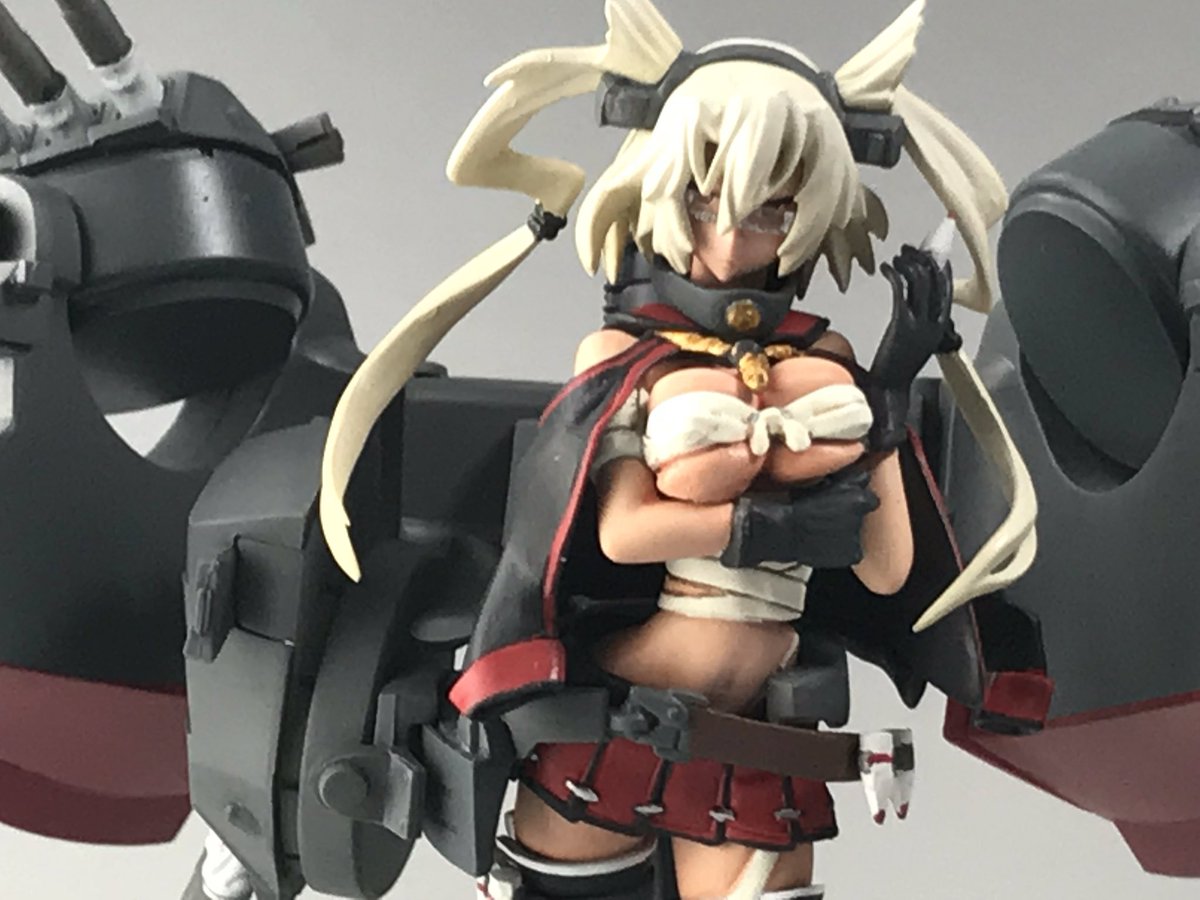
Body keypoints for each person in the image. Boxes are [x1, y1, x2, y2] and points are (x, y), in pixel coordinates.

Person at [320, 1, 1037, 897]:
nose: (732, 239)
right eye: (705, 202)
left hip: (757, 742)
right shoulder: (626, 355)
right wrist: (757, 529)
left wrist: (887, 394)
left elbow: (890, 571)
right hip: (616, 722)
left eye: (772, 209)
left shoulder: (827, 362)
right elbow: (620, 531)